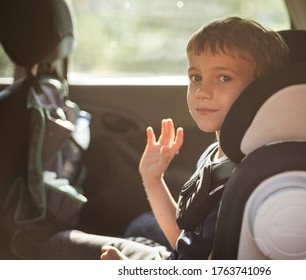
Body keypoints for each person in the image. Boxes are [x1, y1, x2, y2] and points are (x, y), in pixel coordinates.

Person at [39, 16, 289, 260]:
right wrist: (152, 178)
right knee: (141, 226)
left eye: (224, 78)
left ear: (260, 89)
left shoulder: (247, 179)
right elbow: (186, 243)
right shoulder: (215, 153)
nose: (202, 91)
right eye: (196, 77)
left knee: (59, 246)